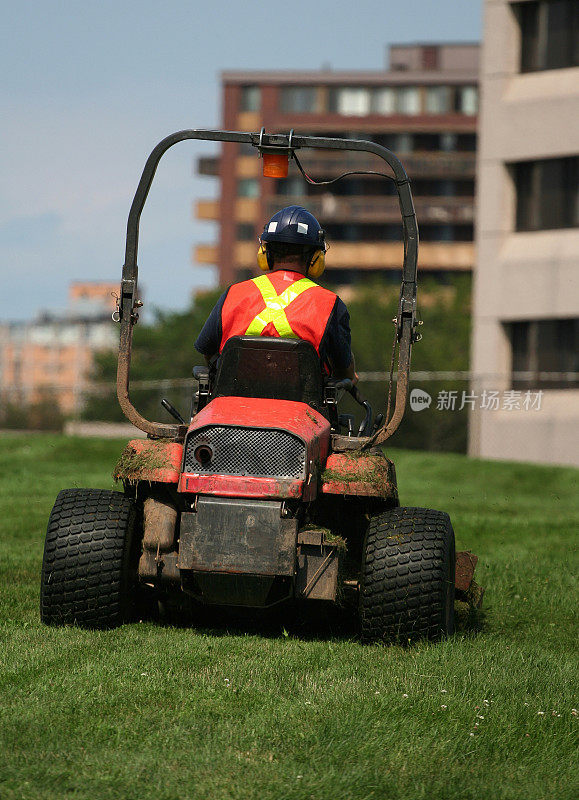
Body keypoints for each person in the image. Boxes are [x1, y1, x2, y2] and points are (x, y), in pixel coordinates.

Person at [195, 205, 357, 382]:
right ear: (315, 258)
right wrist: (351, 377)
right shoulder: (330, 304)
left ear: (265, 254)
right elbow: (343, 368)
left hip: (234, 403)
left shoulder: (233, 293)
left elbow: (208, 351)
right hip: (304, 407)